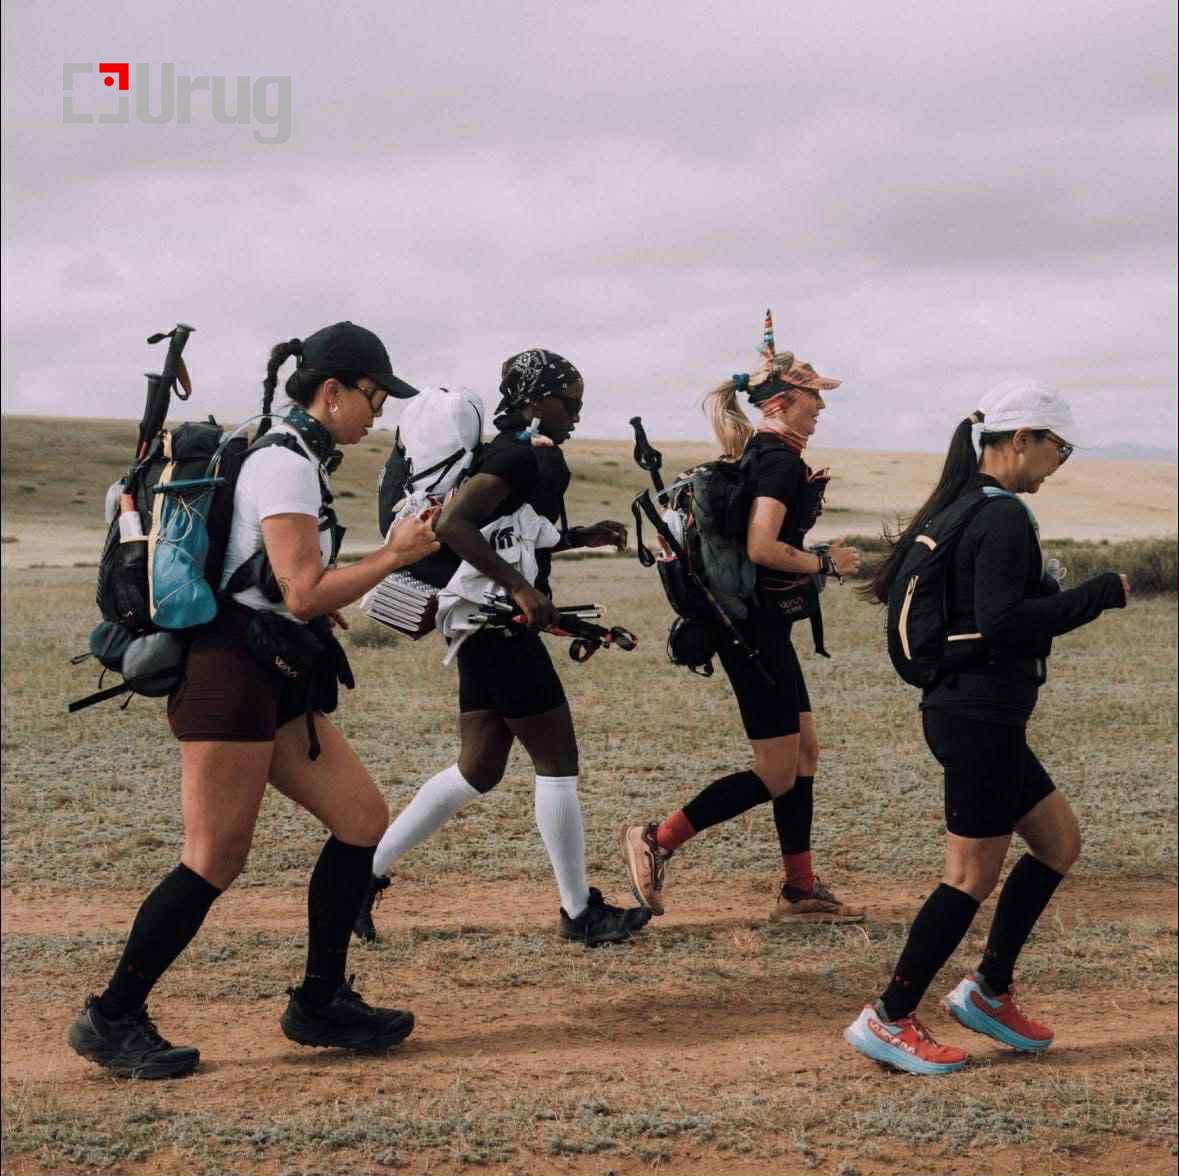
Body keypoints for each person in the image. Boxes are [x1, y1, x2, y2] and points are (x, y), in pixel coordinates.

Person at [68, 322, 441, 1079]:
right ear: (331, 391)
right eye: (373, 397)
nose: (378, 414)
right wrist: (393, 556)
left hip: (269, 669)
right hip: (228, 674)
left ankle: (321, 1002)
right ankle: (111, 1016)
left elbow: (277, 584)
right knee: (214, 857)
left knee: (361, 820)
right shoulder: (286, 463)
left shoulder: (289, 453)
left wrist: (316, 603)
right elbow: (302, 590)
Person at [843, 377, 1130, 1076]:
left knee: (1058, 842)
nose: (1059, 463)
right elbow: (1003, 625)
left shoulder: (965, 505)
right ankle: (888, 1017)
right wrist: (1097, 594)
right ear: (1023, 438)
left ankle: (988, 990)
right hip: (976, 717)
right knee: (969, 876)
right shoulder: (999, 516)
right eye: (1059, 448)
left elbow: (987, 613)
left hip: (979, 714)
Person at [357, 349, 649, 948]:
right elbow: (453, 527)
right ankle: (578, 912)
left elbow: (501, 533)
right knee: (557, 764)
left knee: (478, 769)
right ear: (535, 400)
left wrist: (576, 538)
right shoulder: (515, 455)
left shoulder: (508, 452)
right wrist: (519, 587)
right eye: (568, 402)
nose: (575, 414)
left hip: (476, 626)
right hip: (498, 626)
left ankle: (359, 878)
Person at [619, 317, 866, 924]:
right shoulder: (778, 462)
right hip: (750, 632)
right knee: (777, 772)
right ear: (781, 403)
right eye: (812, 399)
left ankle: (800, 890)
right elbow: (762, 546)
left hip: (759, 626)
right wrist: (825, 563)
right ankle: (657, 840)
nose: (820, 409)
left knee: (803, 756)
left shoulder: (763, 454)